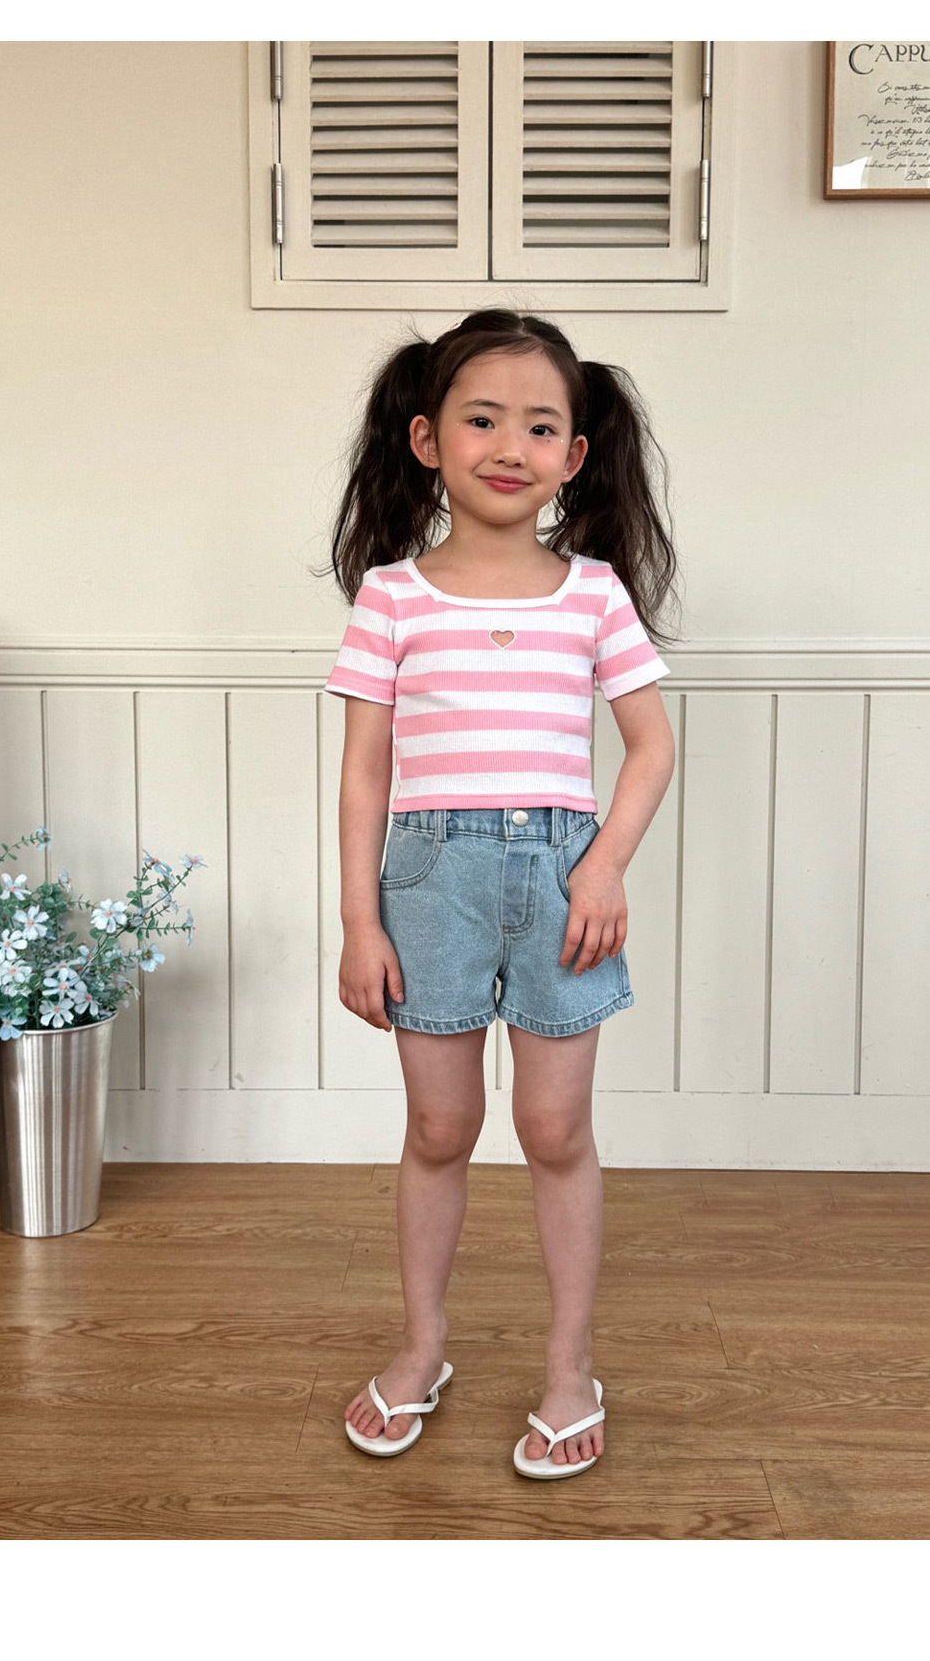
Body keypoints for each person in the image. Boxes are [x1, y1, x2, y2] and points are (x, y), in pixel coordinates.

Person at [317, 306, 680, 1479]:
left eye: (537, 425)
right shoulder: (391, 598)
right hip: (429, 880)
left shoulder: (593, 594)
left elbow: (650, 745)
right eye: (480, 419)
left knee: (553, 1129)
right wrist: (360, 919)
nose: (508, 446)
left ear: (573, 454)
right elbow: (365, 770)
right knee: (439, 1127)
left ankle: (569, 1365)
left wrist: (603, 861)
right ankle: (421, 1345)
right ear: (427, 438)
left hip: (564, 880)